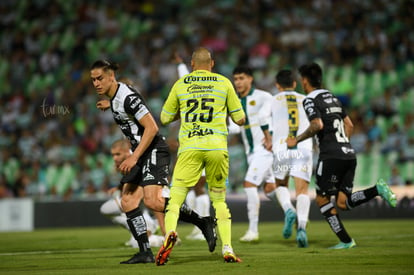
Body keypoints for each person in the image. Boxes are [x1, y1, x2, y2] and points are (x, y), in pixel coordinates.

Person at [90, 60, 217, 264]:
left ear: (111, 76)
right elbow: (123, 100)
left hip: (153, 150)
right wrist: (110, 104)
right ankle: (145, 252)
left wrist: (133, 156)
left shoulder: (127, 98)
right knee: (128, 201)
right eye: (93, 80)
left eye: (100, 78)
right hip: (141, 153)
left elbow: (152, 128)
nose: (96, 83)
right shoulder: (115, 97)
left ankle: (203, 222)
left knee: (153, 201)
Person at [286, 62, 397, 249]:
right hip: (348, 154)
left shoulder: (310, 99)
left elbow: (317, 125)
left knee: (322, 199)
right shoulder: (333, 97)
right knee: (342, 203)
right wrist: (343, 145)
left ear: (304, 81)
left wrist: (296, 140)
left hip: (331, 156)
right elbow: (350, 125)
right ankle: (377, 190)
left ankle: (346, 241)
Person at [157, 47, 246, 265]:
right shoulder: (224, 83)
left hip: (189, 148)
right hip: (216, 147)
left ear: (192, 64)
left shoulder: (181, 84)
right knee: (219, 200)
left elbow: (165, 118)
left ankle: (169, 233)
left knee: (176, 197)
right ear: (212, 64)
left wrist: (184, 109)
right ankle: (228, 248)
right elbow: (240, 119)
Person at [230, 66, 278, 243]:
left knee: (249, 185)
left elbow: (277, 117)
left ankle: (253, 230)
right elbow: (234, 127)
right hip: (250, 152)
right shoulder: (234, 101)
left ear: (250, 79)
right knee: (270, 189)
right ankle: (292, 213)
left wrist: (273, 138)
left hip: (264, 149)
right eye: (236, 79)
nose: (238, 82)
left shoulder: (264, 97)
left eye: (242, 78)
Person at [271, 69, 312, 248]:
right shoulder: (306, 100)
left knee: (281, 185)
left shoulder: (272, 100)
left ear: (277, 85)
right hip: (302, 148)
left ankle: (288, 209)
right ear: (294, 84)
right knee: (302, 191)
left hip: (281, 148)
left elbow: (264, 124)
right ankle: (301, 227)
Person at [99, 139, 164, 248]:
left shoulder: (136, 162)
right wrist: (119, 187)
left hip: (147, 198)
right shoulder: (126, 164)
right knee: (135, 241)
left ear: (127, 152)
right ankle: (147, 227)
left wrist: (164, 229)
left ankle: (155, 233)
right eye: (113, 155)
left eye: (118, 154)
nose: (115, 158)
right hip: (140, 207)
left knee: (106, 208)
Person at [174, 53, 211, 241]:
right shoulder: (215, 85)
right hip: (202, 144)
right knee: (190, 187)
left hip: (199, 144)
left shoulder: (191, 88)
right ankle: (200, 226)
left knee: (198, 187)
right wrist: (180, 64)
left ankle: (203, 227)